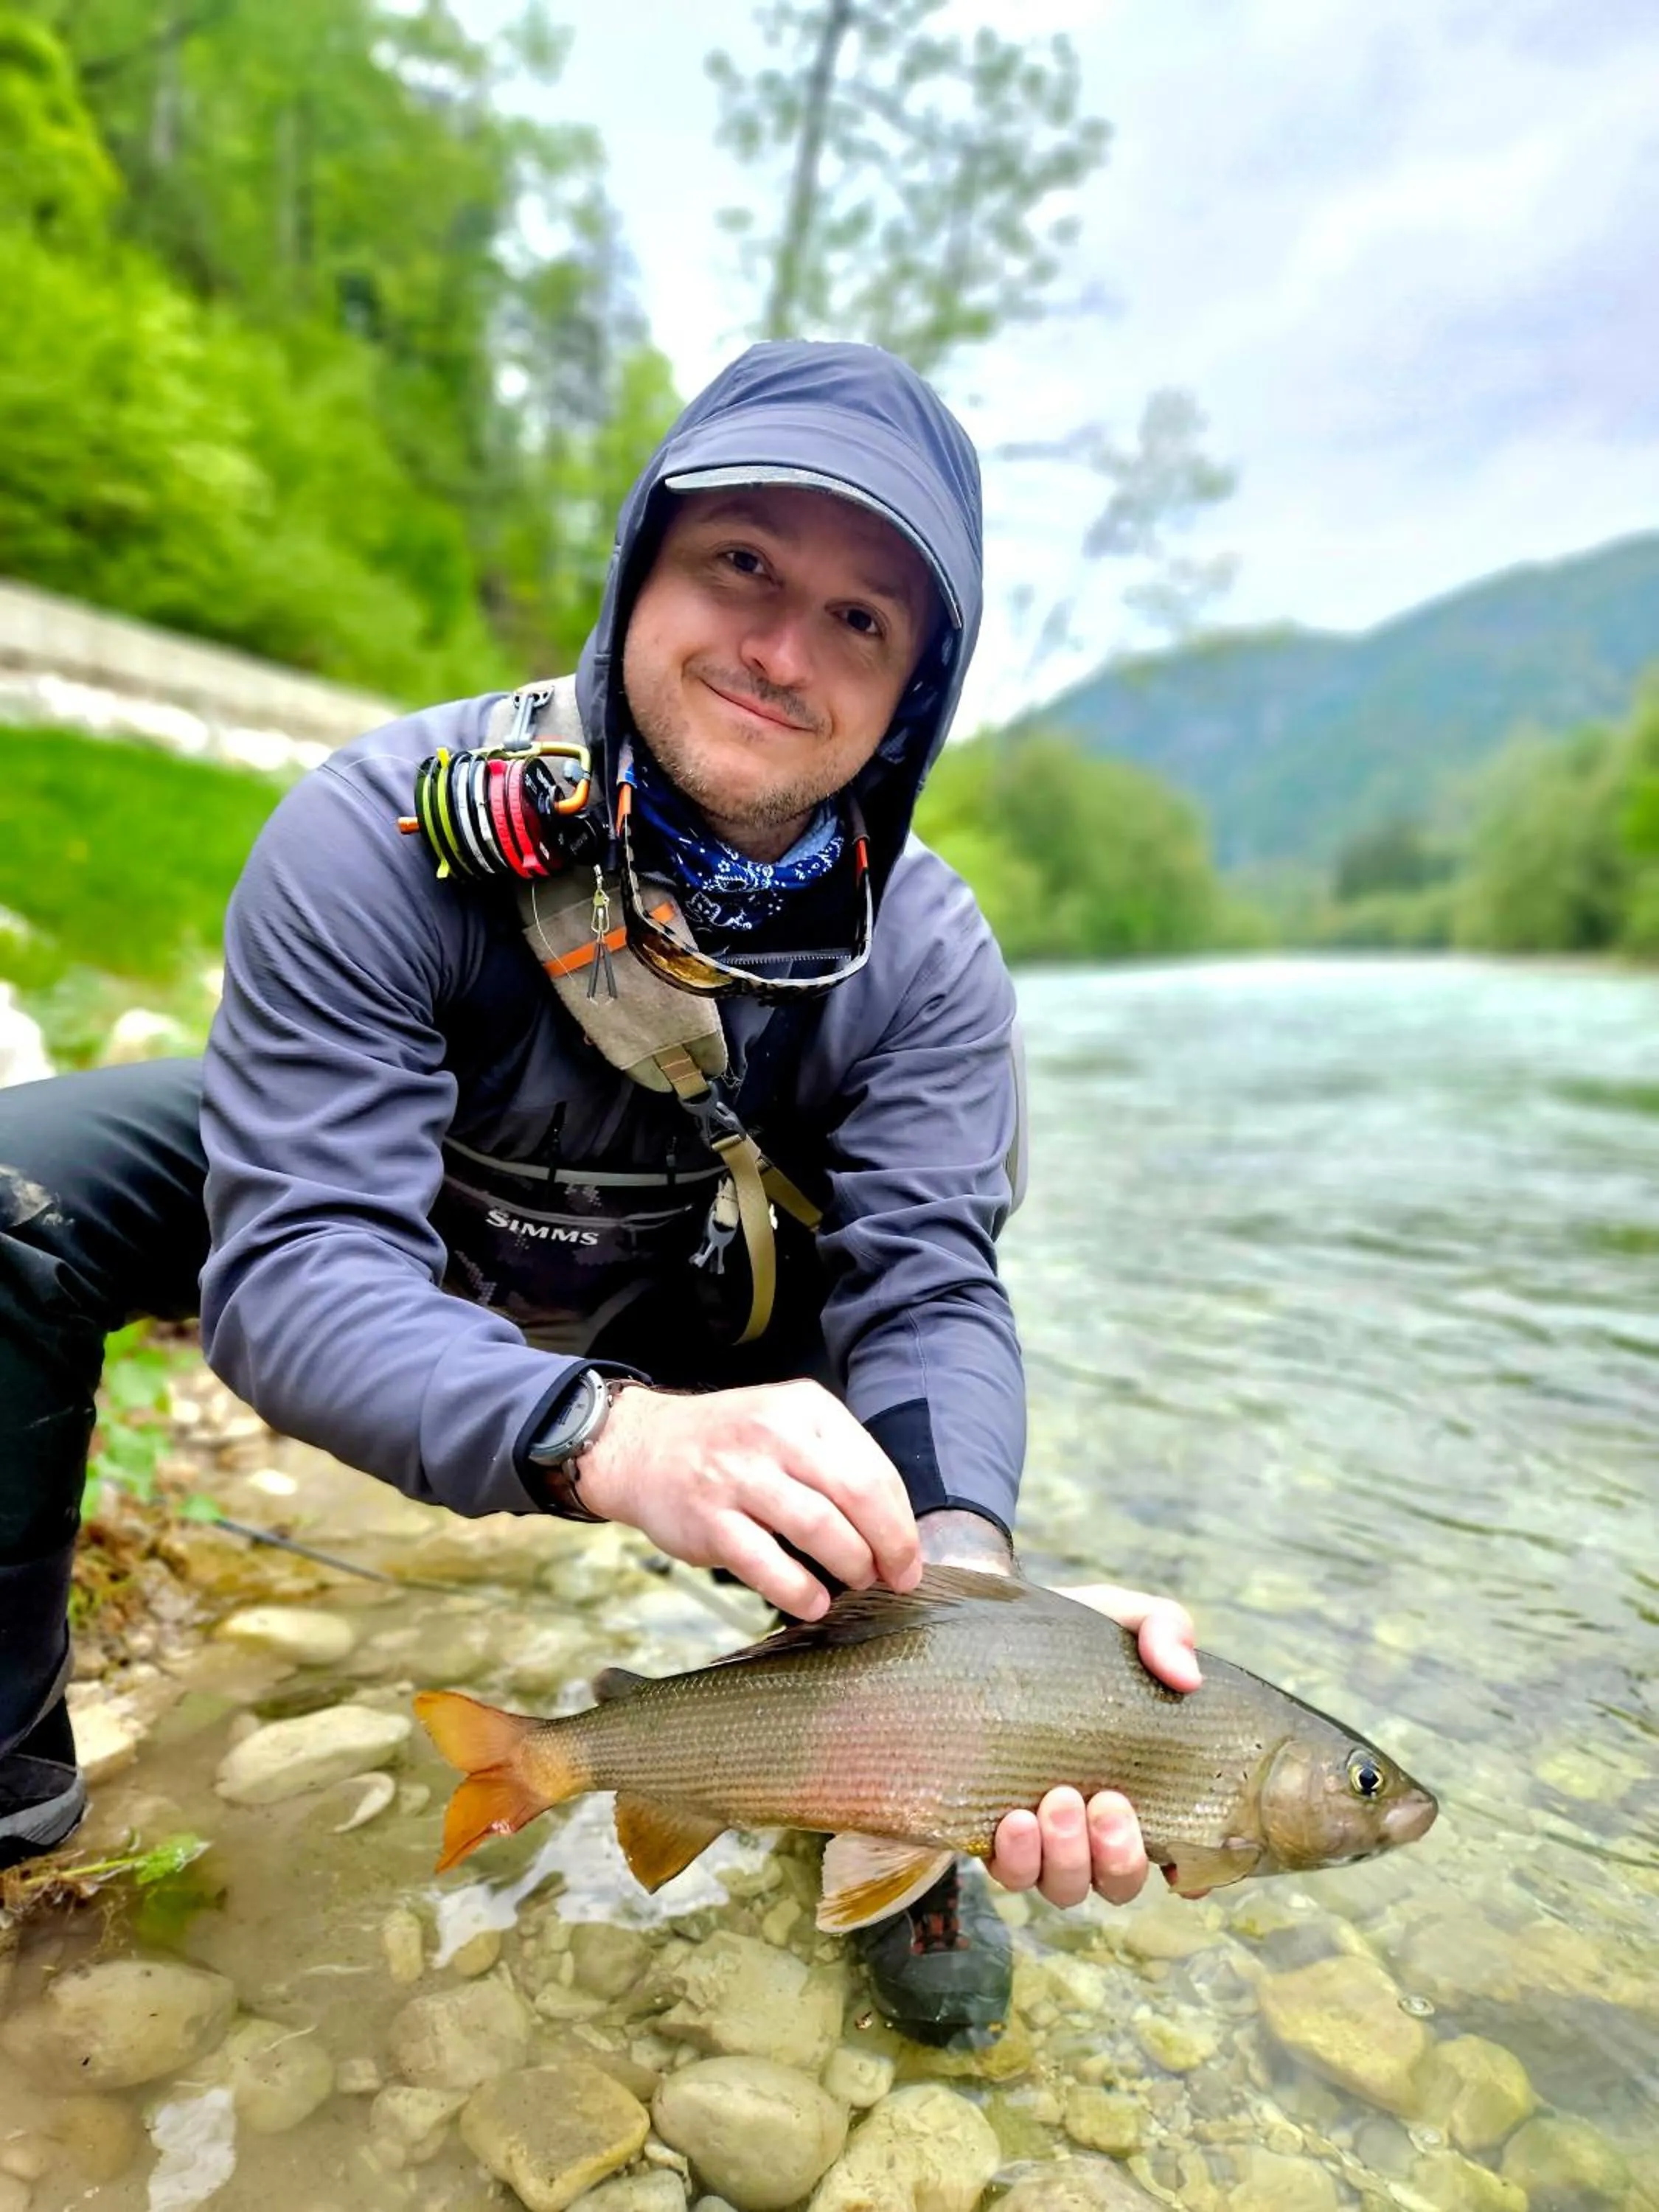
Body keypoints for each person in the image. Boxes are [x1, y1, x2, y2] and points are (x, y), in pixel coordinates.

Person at [0, 340, 1198, 2048]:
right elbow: (306, 1261)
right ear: (643, 566)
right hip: (408, 1221)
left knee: (928, 1480)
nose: (784, 650)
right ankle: (8, 1807)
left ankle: (917, 1793)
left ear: (917, 688)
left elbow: (928, 1292)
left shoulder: (931, 957)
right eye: (744, 567)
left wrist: (975, 1602)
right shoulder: (376, 834)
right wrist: (613, 1441)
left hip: (711, 1298)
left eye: (863, 620)